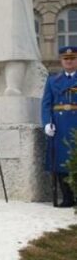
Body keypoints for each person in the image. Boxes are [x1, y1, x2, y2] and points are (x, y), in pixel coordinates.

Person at [41, 46, 77, 207]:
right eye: (66, 59)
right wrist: (47, 122)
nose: (69, 62)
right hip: (60, 127)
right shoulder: (52, 80)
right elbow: (46, 104)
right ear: (61, 61)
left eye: (72, 59)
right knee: (61, 162)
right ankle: (67, 198)